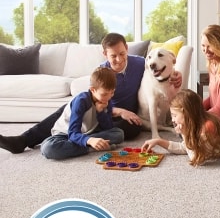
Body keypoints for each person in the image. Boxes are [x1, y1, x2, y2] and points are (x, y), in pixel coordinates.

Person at [0, 32, 182, 154]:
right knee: (68, 108)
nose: (118, 60)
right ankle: (24, 139)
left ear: (126, 48)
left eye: (121, 53)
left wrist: (177, 74)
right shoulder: (102, 72)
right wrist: (118, 110)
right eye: (113, 56)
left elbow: (159, 70)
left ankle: (81, 139)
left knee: (132, 128)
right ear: (105, 54)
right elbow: (95, 101)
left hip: (128, 118)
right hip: (104, 111)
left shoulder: (140, 63)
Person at [40, 67, 124, 160]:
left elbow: (108, 128)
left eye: (112, 93)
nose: (108, 97)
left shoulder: (106, 100)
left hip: (89, 132)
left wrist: (100, 113)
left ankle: (93, 144)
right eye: (104, 94)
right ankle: (91, 148)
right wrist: (89, 140)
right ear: (93, 90)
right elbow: (72, 133)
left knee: (118, 134)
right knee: (48, 149)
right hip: (66, 135)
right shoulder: (81, 101)